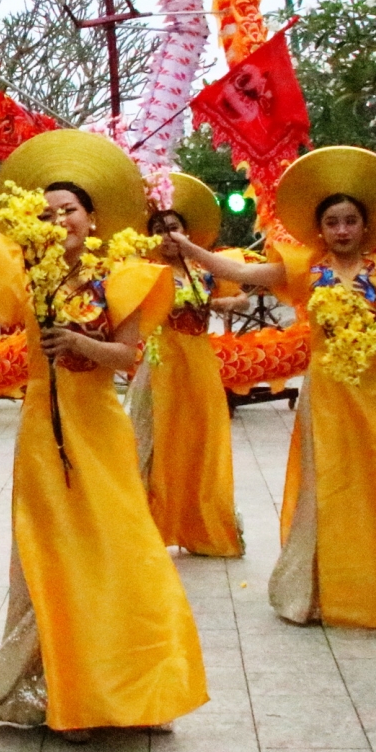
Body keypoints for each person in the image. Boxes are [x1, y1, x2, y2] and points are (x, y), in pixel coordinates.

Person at [0, 130, 207, 737]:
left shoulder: (123, 277)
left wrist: (83, 343)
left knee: (122, 551)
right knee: (52, 557)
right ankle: (58, 694)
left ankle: (137, 689)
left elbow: (129, 358)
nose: (62, 220)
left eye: (72, 210)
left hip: (100, 431)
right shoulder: (26, 272)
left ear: (92, 218)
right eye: (51, 212)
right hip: (42, 430)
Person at [168, 146, 376, 628]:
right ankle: (324, 590)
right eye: (333, 222)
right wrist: (188, 247)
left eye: (350, 221)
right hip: (327, 396)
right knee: (332, 485)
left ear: (365, 226)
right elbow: (240, 273)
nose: (342, 230)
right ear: (320, 229)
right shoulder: (306, 271)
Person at [128, 174, 247, 558]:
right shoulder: (144, 272)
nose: (167, 237)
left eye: (173, 228)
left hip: (199, 366)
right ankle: (147, 527)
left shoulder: (205, 271)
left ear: (186, 231)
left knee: (202, 442)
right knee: (155, 442)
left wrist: (224, 304)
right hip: (161, 366)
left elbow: (241, 297)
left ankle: (203, 526)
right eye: (159, 230)